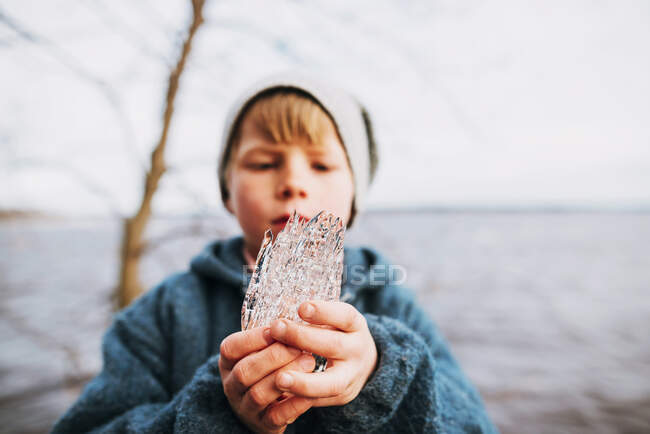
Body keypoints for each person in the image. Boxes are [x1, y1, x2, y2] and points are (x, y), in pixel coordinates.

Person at [53, 73, 498, 433]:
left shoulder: (390, 302)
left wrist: (381, 372)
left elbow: (472, 424)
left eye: (321, 165)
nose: (292, 183)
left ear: (355, 197)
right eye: (264, 163)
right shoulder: (163, 313)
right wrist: (218, 410)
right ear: (228, 192)